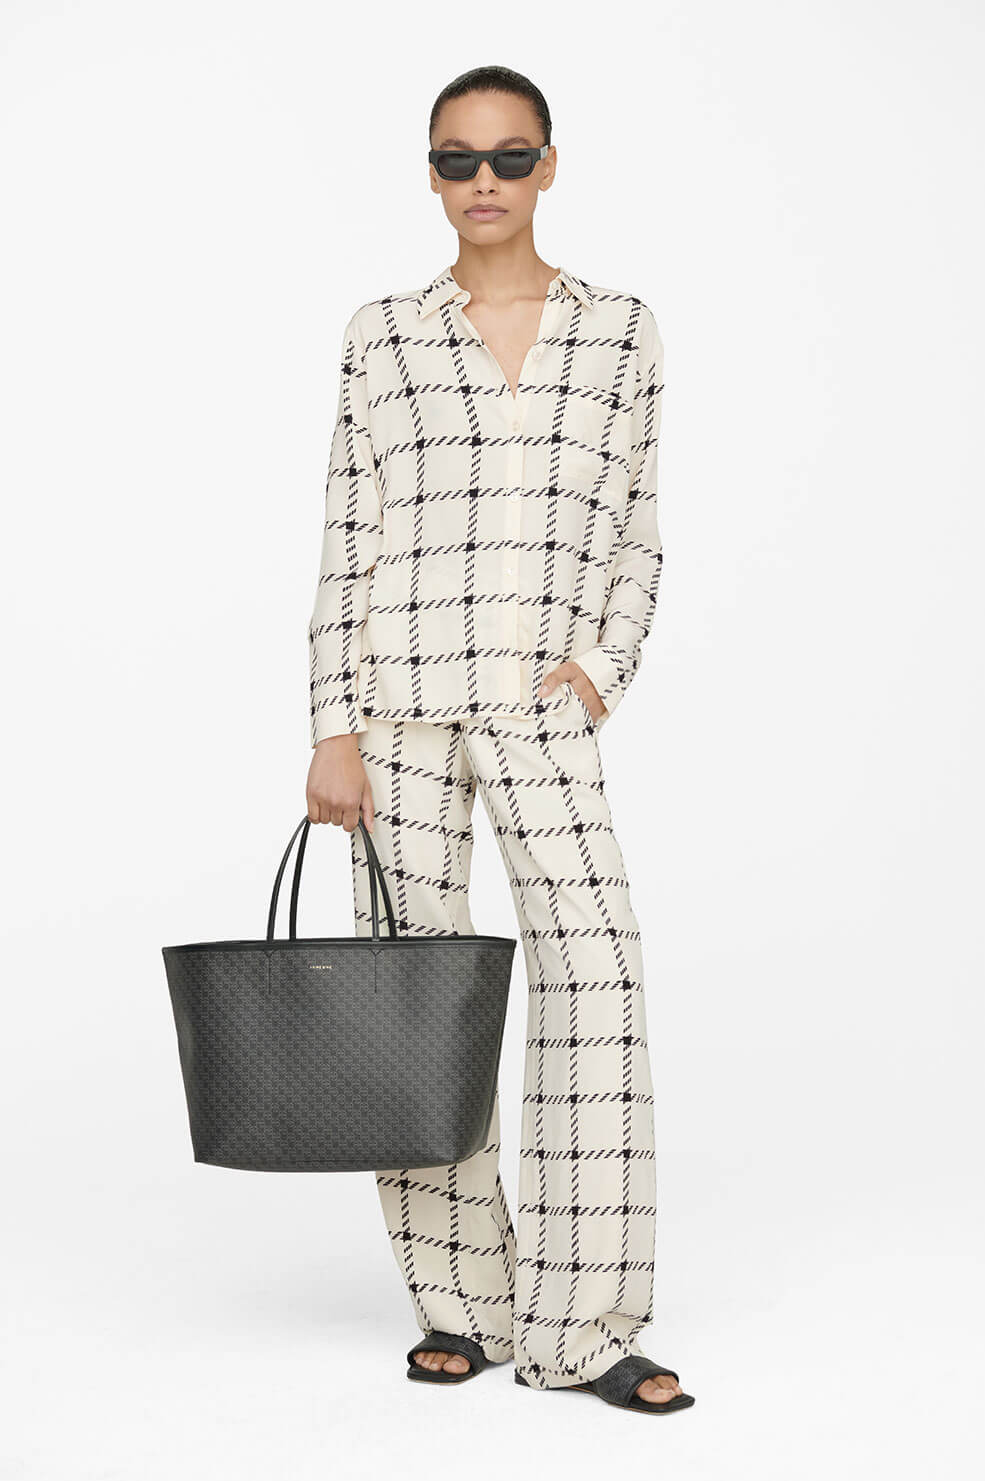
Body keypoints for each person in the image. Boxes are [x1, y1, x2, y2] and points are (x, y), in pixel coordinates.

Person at [304, 64, 694, 1416]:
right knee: (419, 1003)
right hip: (398, 705)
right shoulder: (383, 336)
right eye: (458, 159)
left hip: (540, 708)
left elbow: (639, 528)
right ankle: (458, 1308)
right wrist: (332, 727)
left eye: (509, 157)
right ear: (430, 173)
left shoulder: (620, 332)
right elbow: (347, 536)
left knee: (597, 977)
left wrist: (599, 673)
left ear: (547, 167)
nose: (484, 181)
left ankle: (583, 1328)